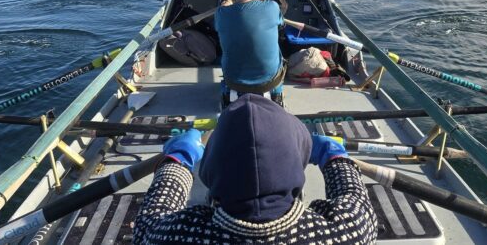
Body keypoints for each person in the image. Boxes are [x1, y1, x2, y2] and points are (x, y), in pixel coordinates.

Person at [133, 94, 378, 244]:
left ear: (210, 171)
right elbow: (356, 200)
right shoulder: (347, 233)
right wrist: (335, 158)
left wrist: (176, 161)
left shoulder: (173, 236)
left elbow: (150, 221)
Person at [215, 0, 285, 106]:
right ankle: (276, 93)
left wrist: (226, 6)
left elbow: (219, 26)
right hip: (269, 82)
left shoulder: (221, 12)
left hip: (234, 81)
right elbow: (281, 24)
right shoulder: (272, 7)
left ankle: (227, 94)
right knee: (278, 49)